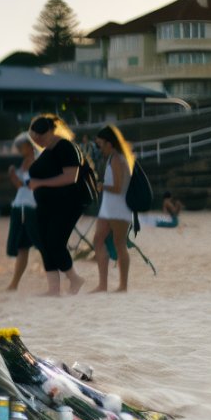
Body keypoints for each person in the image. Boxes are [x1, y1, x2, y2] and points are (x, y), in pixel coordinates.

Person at [25, 114, 86, 296]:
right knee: (45, 244)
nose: (38, 142)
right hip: (46, 205)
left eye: (40, 138)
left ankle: (75, 279)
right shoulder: (48, 150)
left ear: (51, 131)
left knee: (55, 242)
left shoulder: (65, 147)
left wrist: (40, 184)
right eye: (34, 139)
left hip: (67, 204)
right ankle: (54, 289)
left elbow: (70, 177)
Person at [89, 125, 135, 293]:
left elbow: (117, 188)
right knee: (98, 240)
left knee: (119, 244)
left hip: (119, 207)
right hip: (109, 207)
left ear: (109, 143)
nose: (99, 148)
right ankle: (103, 285)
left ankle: (123, 285)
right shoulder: (113, 158)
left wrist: (101, 186)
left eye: (100, 144)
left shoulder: (117, 159)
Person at [4, 133, 41, 291]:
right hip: (21, 205)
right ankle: (14, 283)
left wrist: (15, 176)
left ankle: (62, 278)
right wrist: (13, 176)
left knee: (40, 245)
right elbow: (20, 186)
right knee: (22, 246)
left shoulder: (35, 162)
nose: (19, 149)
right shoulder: (26, 161)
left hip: (30, 206)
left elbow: (31, 185)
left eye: (21, 146)